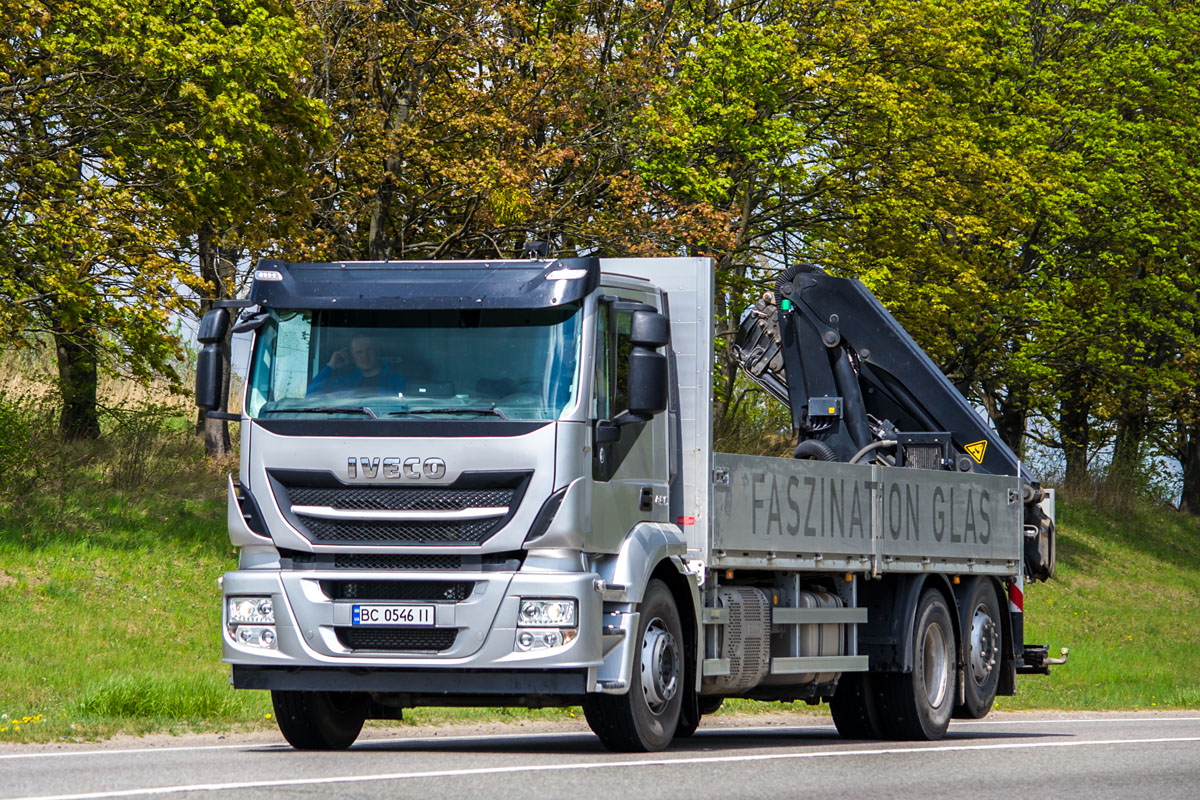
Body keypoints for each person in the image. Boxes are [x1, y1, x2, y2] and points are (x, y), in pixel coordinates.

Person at [307, 334, 407, 397]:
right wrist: (331, 366)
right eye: (359, 352)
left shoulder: (395, 378)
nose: (365, 355)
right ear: (352, 357)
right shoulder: (345, 382)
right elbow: (311, 396)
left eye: (369, 349)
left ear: (377, 351)